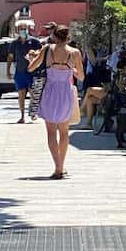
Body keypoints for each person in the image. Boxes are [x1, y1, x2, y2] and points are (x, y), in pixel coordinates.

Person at [28, 24, 84, 178]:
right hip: (66, 92)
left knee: (51, 131)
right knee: (64, 132)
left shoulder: (47, 49)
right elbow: (81, 77)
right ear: (68, 37)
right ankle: (62, 165)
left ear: (54, 36)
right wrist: (70, 69)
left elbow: (31, 68)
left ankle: (57, 166)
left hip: (50, 92)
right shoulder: (75, 53)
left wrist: (32, 59)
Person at [8, 19, 41, 124]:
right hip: (20, 72)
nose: (23, 30)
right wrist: (8, 70)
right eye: (21, 29)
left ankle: (33, 113)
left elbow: (41, 53)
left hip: (32, 72)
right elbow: (10, 57)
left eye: (24, 29)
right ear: (18, 30)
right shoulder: (14, 43)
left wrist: (34, 54)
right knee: (21, 94)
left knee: (33, 93)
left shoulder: (34, 41)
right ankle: (22, 116)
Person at [27, 21, 55, 122]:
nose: (48, 31)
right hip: (41, 71)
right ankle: (33, 113)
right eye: (47, 29)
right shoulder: (44, 42)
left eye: (50, 29)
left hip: (54, 72)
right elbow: (38, 53)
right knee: (36, 92)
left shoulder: (59, 43)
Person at [79, 46, 111, 126]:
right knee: (90, 98)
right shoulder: (90, 48)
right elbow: (92, 61)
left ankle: (80, 110)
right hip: (98, 80)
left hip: (109, 92)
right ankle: (88, 123)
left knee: (89, 90)